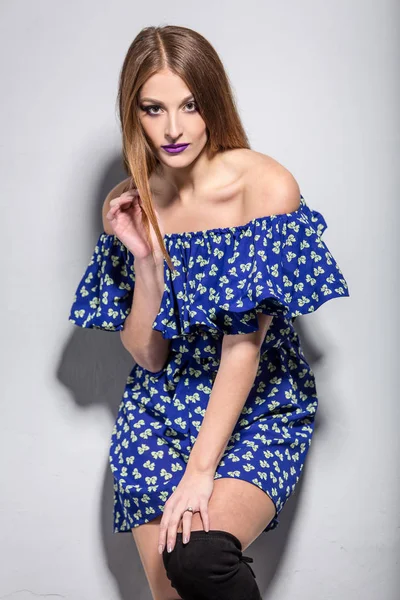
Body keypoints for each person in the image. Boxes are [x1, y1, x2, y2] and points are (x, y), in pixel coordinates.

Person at [68, 24, 350, 600]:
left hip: (257, 401)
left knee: (199, 561)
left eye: (190, 106)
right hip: (160, 411)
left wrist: (200, 474)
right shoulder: (137, 199)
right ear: (134, 114)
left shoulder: (265, 188)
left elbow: (242, 348)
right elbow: (148, 356)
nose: (172, 129)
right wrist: (146, 262)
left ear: (212, 103)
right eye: (154, 108)